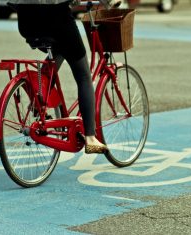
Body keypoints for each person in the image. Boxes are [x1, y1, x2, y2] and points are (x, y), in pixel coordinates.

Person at [7, 0, 120, 153]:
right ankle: (91, 138)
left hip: (27, 22)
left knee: (59, 49)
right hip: (56, 18)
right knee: (83, 76)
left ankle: (37, 100)